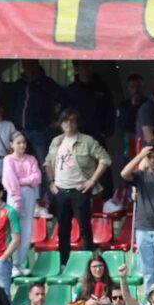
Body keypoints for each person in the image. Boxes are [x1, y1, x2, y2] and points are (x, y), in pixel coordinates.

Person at [45, 108, 111, 265]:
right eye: (65, 121)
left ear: (77, 123)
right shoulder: (56, 141)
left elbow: (105, 159)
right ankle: (64, 264)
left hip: (79, 190)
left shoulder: (87, 141)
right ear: (60, 123)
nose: (68, 124)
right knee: (63, 230)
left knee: (84, 229)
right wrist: (51, 182)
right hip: (60, 191)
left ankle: (88, 264)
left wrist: (92, 180)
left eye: (72, 120)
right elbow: (47, 162)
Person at [121, 144, 154, 293]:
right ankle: (150, 301)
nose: (152, 160)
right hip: (142, 228)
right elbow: (124, 173)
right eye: (149, 157)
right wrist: (140, 155)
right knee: (148, 272)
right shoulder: (140, 176)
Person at [2, 132, 43, 274]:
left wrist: (21, 181)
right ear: (11, 145)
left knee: (27, 230)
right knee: (15, 229)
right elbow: (10, 181)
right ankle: (12, 263)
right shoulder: (8, 159)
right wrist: (17, 201)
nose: (22, 145)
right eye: (18, 142)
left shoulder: (31, 159)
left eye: (24, 142)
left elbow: (37, 177)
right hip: (15, 196)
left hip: (29, 194)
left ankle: (20, 263)